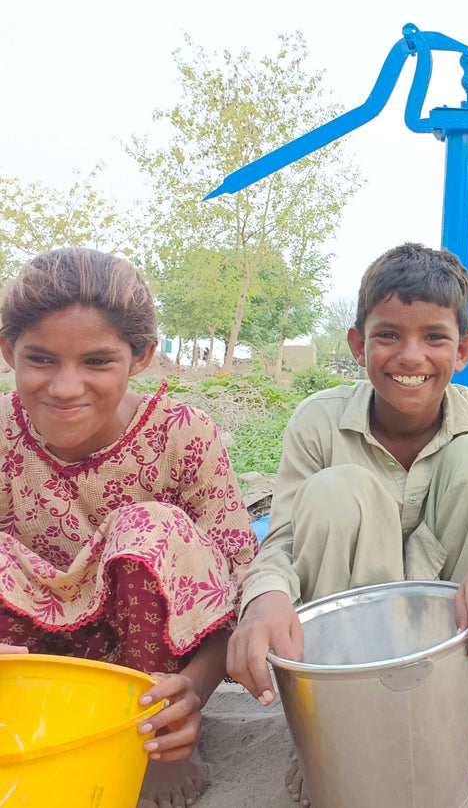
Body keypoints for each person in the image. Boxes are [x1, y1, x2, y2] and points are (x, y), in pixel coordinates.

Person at [228, 242, 468, 804]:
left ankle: (467, 695)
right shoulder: (318, 422)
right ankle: (341, 715)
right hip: (351, 642)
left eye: (434, 337)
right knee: (337, 490)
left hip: (452, 634)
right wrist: (264, 598)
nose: (410, 356)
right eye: (388, 335)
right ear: (358, 345)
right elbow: (284, 539)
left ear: (463, 350)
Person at [0, 248, 257, 808]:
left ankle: (157, 742)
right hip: (39, 662)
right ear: (8, 352)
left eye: (97, 362)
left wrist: (195, 691)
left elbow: (235, 584)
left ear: (140, 357)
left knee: (148, 528)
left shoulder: (182, 434)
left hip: (152, 668)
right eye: (40, 360)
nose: (66, 388)